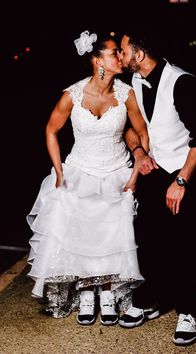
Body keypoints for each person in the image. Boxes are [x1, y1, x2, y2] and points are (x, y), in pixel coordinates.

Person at [26, 29, 149, 326]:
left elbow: (142, 131)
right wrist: (58, 169)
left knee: (111, 239)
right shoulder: (73, 94)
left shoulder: (126, 93)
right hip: (80, 170)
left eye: (121, 53)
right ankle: (85, 293)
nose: (120, 57)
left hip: (116, 172)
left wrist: (135, 171)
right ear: (98, 61)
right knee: (79, 236)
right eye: (114, 53)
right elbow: (50, 130)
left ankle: (107, 293)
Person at [118, 30, 196, 345]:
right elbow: (136, 127)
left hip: (184, 173)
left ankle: (189, 310)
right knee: (148, 237)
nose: (120, 56)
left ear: (140, 55)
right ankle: (152, 297)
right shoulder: (135, 81)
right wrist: (142, 153)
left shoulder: (182, 82)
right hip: (155, 169)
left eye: (124, 50)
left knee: (184, 245)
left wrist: (181, 181)